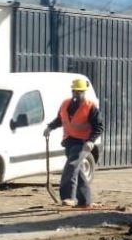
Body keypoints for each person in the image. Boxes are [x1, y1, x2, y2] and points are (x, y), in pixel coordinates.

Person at [44, 78, 103, 208]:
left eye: (79, 92)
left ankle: (68, 197)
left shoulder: (90, 107)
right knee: (79, 171)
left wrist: (91, 141)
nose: (77, 94)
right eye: (75, 91)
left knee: (71, 166)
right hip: (69, 142)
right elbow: (60, 119)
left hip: (83, 144)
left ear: (84, 92)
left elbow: (99, 127)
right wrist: (50, 127)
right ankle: (85, 201)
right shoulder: (65, 104)